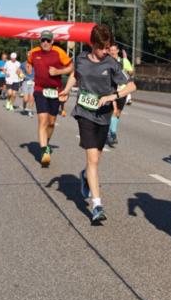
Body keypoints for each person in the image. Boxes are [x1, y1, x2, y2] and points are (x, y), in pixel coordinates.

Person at [58, 25, 135, 225]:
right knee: (92, 159)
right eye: (101, 48)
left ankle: (85, 175)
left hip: (104, 115)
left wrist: (113, 96)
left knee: (95, 160)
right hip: (84, 113)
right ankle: (97, 205)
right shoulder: (82, 58)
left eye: (107, 47)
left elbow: (132, 85)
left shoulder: (111, 63)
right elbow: (76, 74)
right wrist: (67, 89)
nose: (105, 51)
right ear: (92, 44)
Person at [28, 30, 73, 167]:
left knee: (51, 122)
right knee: (43, 120)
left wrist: (59, 72)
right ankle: (44, 151)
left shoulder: (59, 52)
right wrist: (27, 69)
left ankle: (46, 143)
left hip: (55, 91)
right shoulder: (34, 52)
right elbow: (28, 62)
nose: (45, 43)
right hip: (40, 90)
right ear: (40, 41)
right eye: (43, 40)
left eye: (48, 40)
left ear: (52, 41)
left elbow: (71, 68)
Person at [106, 46, 133, 147]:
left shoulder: (123, 61)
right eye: (110, 50)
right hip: (111, 89)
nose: (112, 52)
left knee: (118, 113)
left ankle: (112, 131)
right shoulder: (106, 61)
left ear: (117, 51)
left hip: (122, 90)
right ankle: (112, 133)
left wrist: (127, 72)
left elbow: (131, 71)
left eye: (114, 50)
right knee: (113, 110)